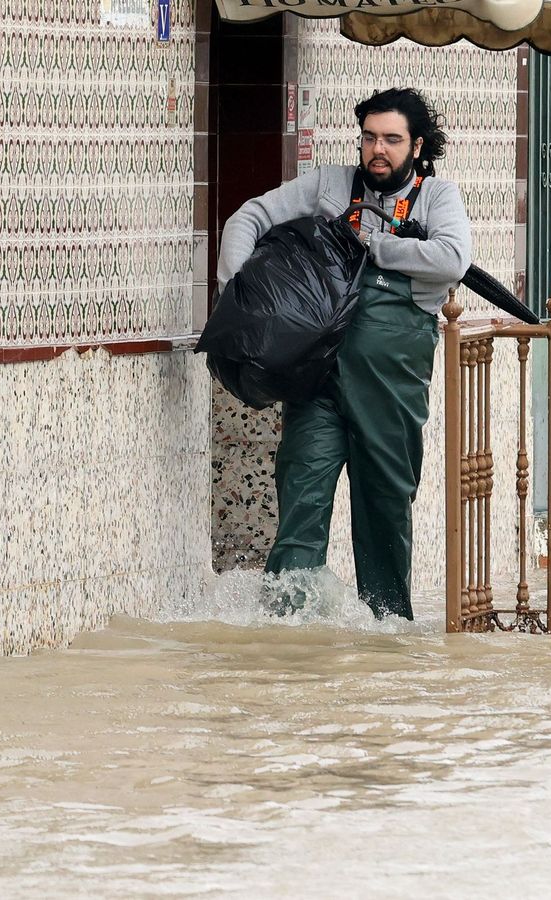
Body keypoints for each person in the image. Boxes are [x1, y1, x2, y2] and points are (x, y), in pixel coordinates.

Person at [215, 87, 472, 620]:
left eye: (392, 140)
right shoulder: (328, 185)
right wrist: (238, 293)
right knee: (300, 497)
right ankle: (286, 631)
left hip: (391, 393)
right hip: (319, 386)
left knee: (385, 513)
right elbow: (248, 217)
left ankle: (387, 635)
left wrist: (376, 244)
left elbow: (451, 258)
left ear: (416, 146)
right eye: (369, 137)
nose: (378, 149)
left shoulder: (437, 197)